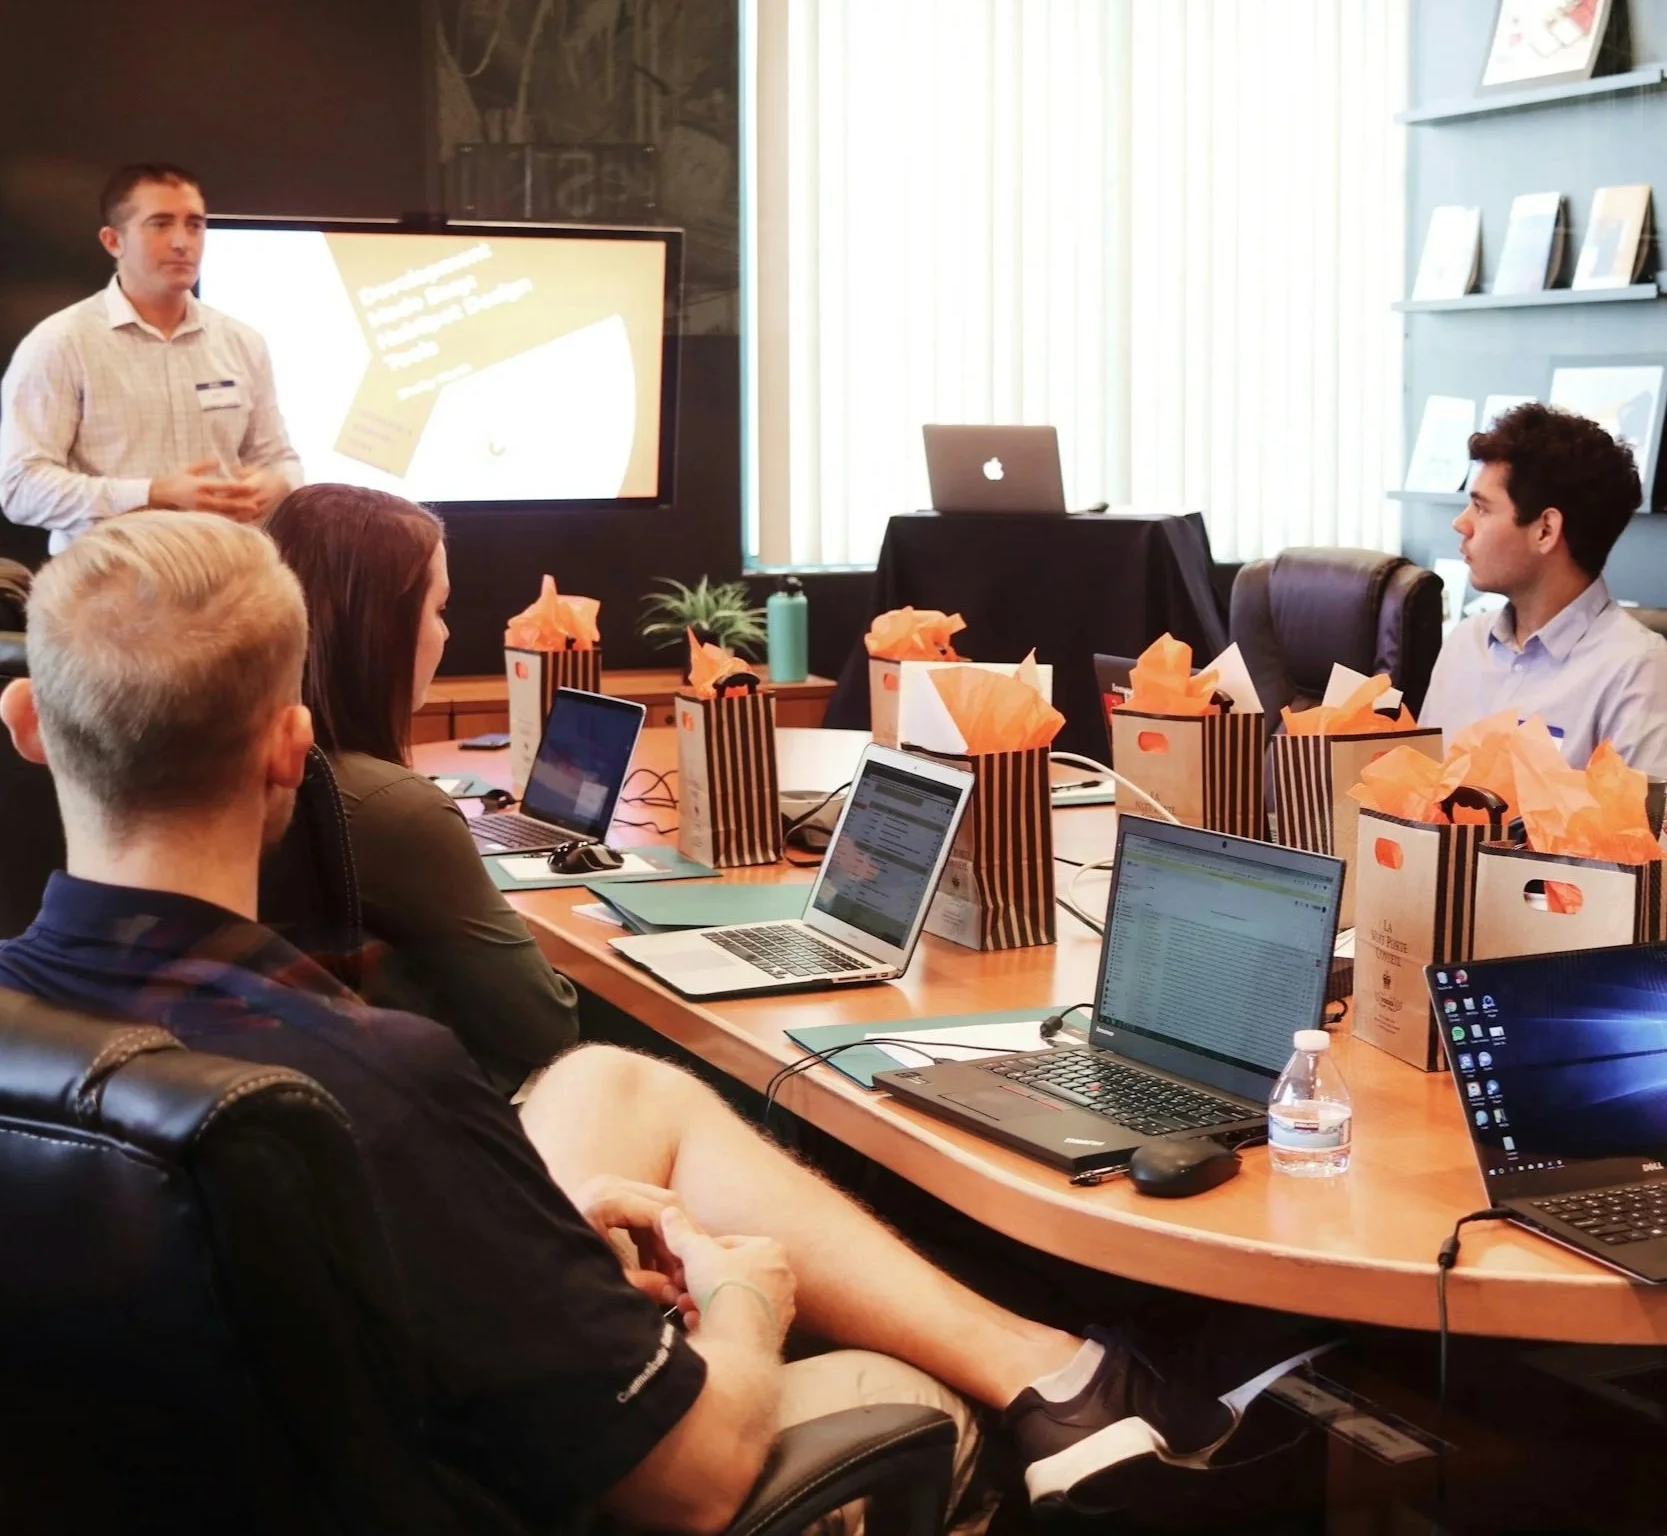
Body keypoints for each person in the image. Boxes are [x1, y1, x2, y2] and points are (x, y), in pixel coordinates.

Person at [0, 511, 1320, 1531]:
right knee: (899, 1395)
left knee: (608, 1080)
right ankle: (1065, 1391)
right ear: (290, 746)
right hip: (519, 1487)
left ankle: (1060, 1364)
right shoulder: (377, 1079)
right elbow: (687, 1479)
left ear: (26, 724)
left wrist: (530, 1238)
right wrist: (744, 1299)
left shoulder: (45, 1027)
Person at [264, 482, 580, 1095]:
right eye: (438, 610)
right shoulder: (394, 808)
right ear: (378, 628)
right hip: (441, 1115)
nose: (446, 634)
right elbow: (546, 1030)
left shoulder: (236, 769)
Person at [0, 162, 300, 553]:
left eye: (194, 225)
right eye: (160, 224)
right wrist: (152, 494)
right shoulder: (61, 343)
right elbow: (20, 487)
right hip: (111, 577)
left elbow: (281, 460)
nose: (182, 242)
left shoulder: (242, 341)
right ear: (113, 241)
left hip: (228, 571)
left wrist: (276, 483)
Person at [1420, 403, 1667, 779]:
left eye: (1482, 508)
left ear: (1546, 530)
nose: (1461, 523)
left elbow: (1640, 818)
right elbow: (1415, 794)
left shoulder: (1637, 671)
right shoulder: (1464, 644)